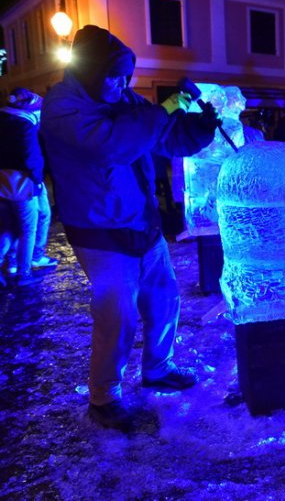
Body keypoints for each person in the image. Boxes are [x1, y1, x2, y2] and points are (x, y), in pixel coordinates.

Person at [40, 25, 219, 432]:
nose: (121, 84)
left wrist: (199, 127)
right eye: (112, 75)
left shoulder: (123, 97)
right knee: (117, 314)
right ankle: (103, 396)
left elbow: (163, 136)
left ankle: (158, 367)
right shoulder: (62, 106)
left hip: (142, 221)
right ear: (88, 71)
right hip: (99, 227)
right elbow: (115, 143)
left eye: (126, 76)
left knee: (163, 299)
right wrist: (169, 104)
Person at [0, 87, 56, 288]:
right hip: (23, 183)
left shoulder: (4, 119)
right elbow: (30, 156)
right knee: (27, 229)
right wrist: (37, 180)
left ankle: (9, 263)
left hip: (3, 183)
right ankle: (24, 272)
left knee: (9, 227)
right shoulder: (24, 124)